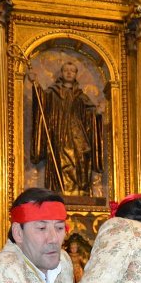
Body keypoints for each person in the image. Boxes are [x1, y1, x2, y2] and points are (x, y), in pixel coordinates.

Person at [30, 61, 104, 196]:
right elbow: (42, 102)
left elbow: (89, 114)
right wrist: (35, 84)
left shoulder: (81, 96)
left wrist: (96, 114)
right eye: (66, 70)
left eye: (72, 71)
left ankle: (81, 191)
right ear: (62, 74)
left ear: (76, 74)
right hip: (59, 133)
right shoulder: (52, 93)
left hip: (78, 136)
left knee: (80, 159)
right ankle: (59, 191)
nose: (69, 73)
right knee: (60, 160)